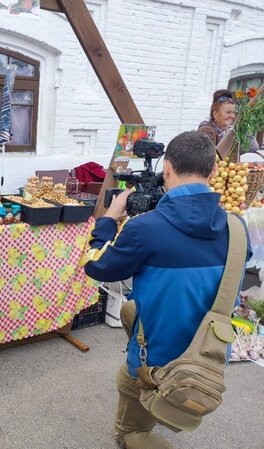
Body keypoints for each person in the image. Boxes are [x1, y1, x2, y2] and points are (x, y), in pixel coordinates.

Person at [82, 131, 251, 449]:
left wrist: (108, 220)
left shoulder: (145, 228)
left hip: (159, 360)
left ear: (168, 169)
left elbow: (96, 265)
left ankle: (138, 424)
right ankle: (161, 404)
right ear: (214, 172)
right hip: (211, 355)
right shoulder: (236, 228)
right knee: (130, 310)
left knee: (128, 418)